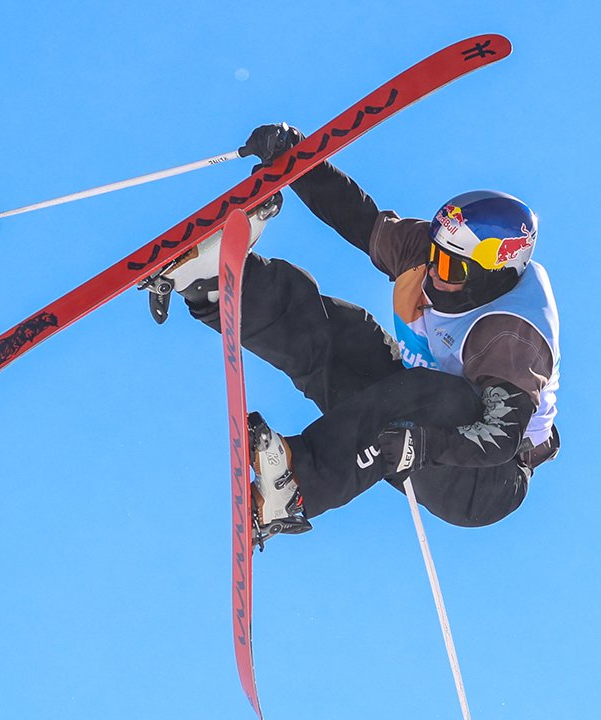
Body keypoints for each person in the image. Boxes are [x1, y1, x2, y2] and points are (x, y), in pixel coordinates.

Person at [158, 123, 561, 547]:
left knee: (430, 392)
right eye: (435, 256)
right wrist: (294, 159)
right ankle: (218, 285)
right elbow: (357, 217)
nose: (435, 276)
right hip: (416, 411)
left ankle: (296, 491)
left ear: (493, 275)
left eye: (451, 269)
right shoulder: (423, 254)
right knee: (347, 334)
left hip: (482, 480)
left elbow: (500, 438)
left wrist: (420, 444)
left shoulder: (511, 338)